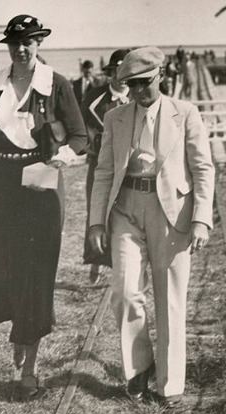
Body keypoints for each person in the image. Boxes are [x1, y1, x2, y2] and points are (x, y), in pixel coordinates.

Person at [86, 46, 215, 407]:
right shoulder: (116, 118)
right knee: (126, 292)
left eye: (145, 83)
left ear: (161, 76)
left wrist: (202, 219)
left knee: (170, 297)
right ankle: (138, 371)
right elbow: (105, 171)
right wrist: (97, 221)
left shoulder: (186, 114)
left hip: (172, 211)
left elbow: (203, 168)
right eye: (131, 86)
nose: (139, 92)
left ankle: (169, 384)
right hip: (126, 208)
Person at [0, 14, 87, 398]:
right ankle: (21, 337)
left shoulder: (57, 85)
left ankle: (29, 367)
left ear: (39, 44)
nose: (22, 48)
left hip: (41, 182)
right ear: (7, 46)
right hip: (3, 184)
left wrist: (63, 157)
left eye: (29, 41)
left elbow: (80, 136)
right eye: (15, 42)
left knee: (36, 274)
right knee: (4, 268)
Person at [80, 48, 131, 283]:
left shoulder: (138, 96)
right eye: (115, 72)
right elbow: (82, 127)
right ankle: (97, 261)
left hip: (130, 166)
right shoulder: (95, 97)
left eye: (124, 72)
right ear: (109, 73)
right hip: (100, 164)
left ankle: (124, 263)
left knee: (127, 211)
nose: (119, 78)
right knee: (97, 210)